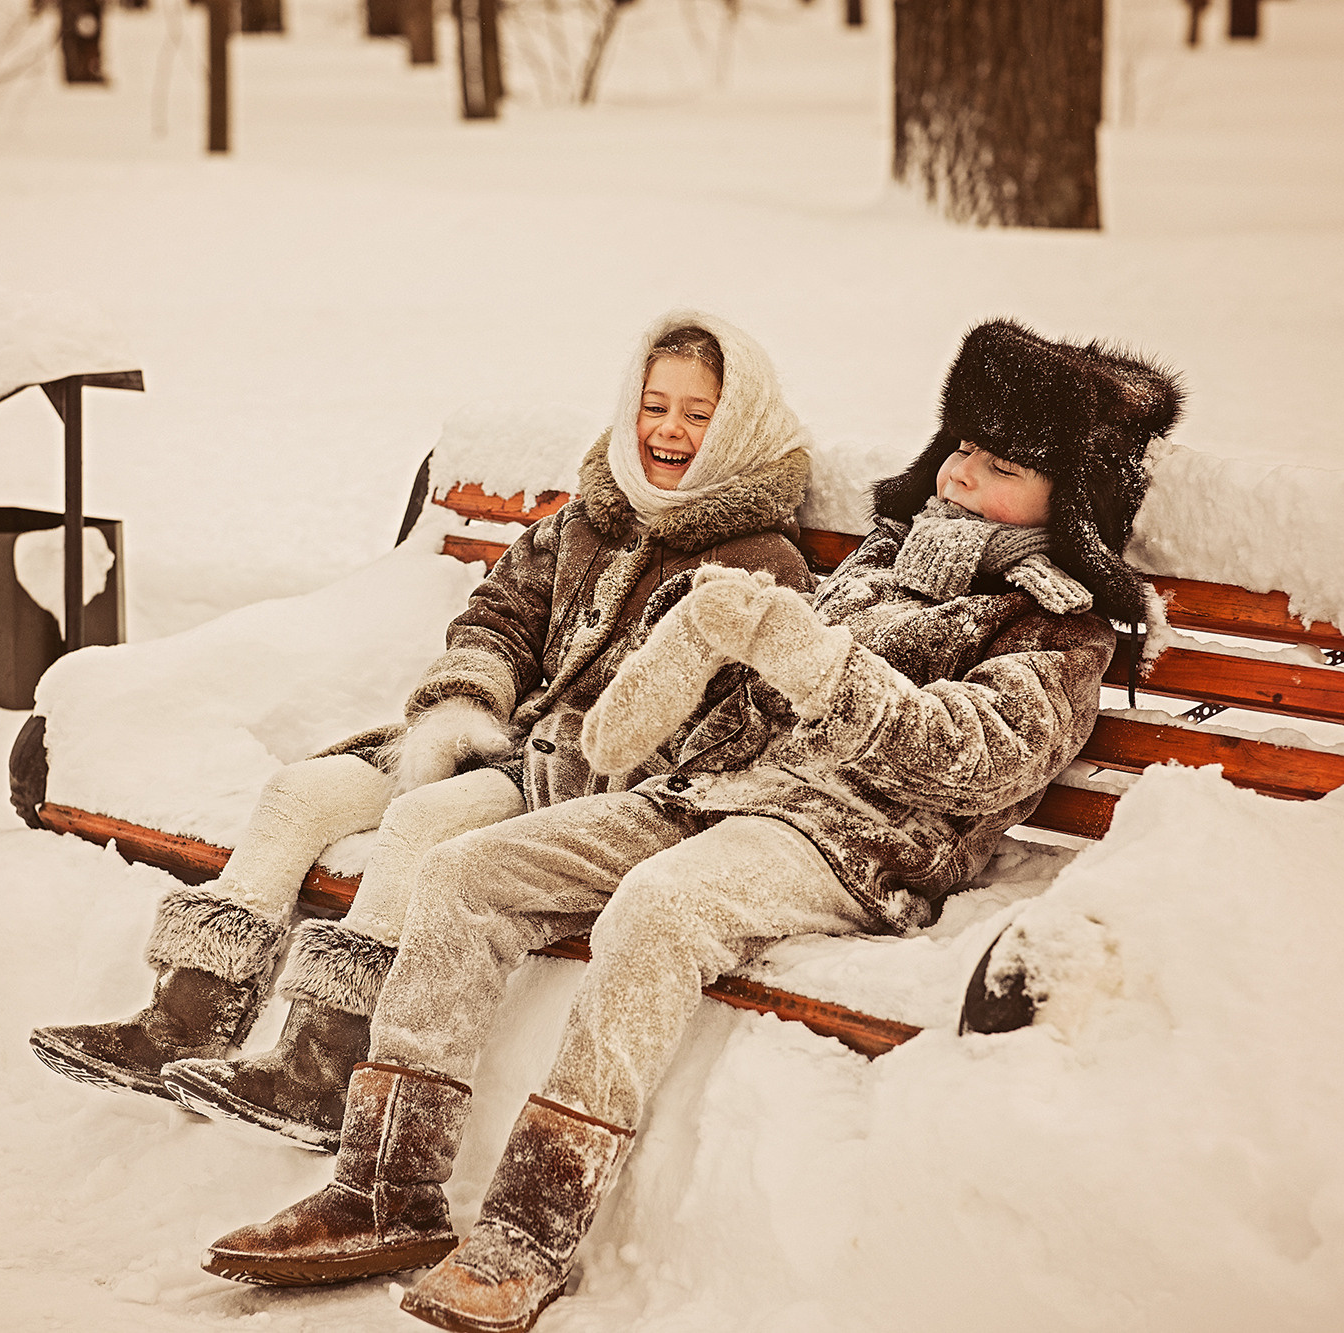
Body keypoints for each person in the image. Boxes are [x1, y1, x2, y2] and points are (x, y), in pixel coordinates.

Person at [199, 318, 1184, 1332]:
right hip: (708, 794)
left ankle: (528, 1230)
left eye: (1003, 466)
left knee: (657, 909)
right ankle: (382, 1188)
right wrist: (703, 657)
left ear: (1071, 501)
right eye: (962, 449)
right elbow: (761, 685)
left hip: (849, 844)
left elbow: (977, 756)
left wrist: (818, 665)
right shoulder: (885, 565)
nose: (963, 476)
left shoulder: (1054, 625)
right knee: (461, 872)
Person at [27, 312, 817, 1153]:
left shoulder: (761, 564)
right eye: (655, 406)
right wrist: (462, 707)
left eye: (698, 414)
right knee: (298, 794)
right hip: (498, 740)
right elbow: (499, 616)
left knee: (419, 821)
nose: (669, 430)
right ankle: (186, 1021)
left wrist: (563, 750)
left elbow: (717, 729)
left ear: (737, 426)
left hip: (578, 783)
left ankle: (326, 1065)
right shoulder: (588, 519)